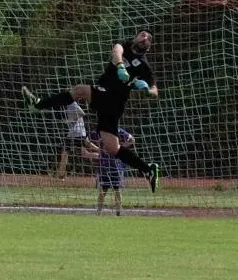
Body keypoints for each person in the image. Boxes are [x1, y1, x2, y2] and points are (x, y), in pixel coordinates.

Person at [23, 32, 161, 192]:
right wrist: (120, 66)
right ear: (135, 37)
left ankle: (38, 105)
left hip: (114, 103)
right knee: (112, 147)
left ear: (149, 48)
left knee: (80, 92)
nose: (145, 38)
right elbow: (117, 52)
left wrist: (147, 90)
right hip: (105, 95)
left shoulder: (144, 67)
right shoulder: (123, 45)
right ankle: (147, 169)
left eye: (149, 39)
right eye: (143, 35)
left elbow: (155, 90)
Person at [94, 125, 131, 214]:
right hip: (104, 166)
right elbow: (87, 141)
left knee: (116, 189)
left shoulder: (118, 130)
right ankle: (98, 212)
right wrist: (98, 149)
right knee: (103, 189)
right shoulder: (100, 131)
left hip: (116, 166)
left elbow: (131, 139)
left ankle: (118, 212)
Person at [55, 100, 88, 179]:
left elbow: (82, 113)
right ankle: (61, 174)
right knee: (83, 153)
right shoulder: (68, 105)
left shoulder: (72, 103)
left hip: (76, 133)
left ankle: (61, 175)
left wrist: (69, 120)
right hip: (76, 133)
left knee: (66, 152)